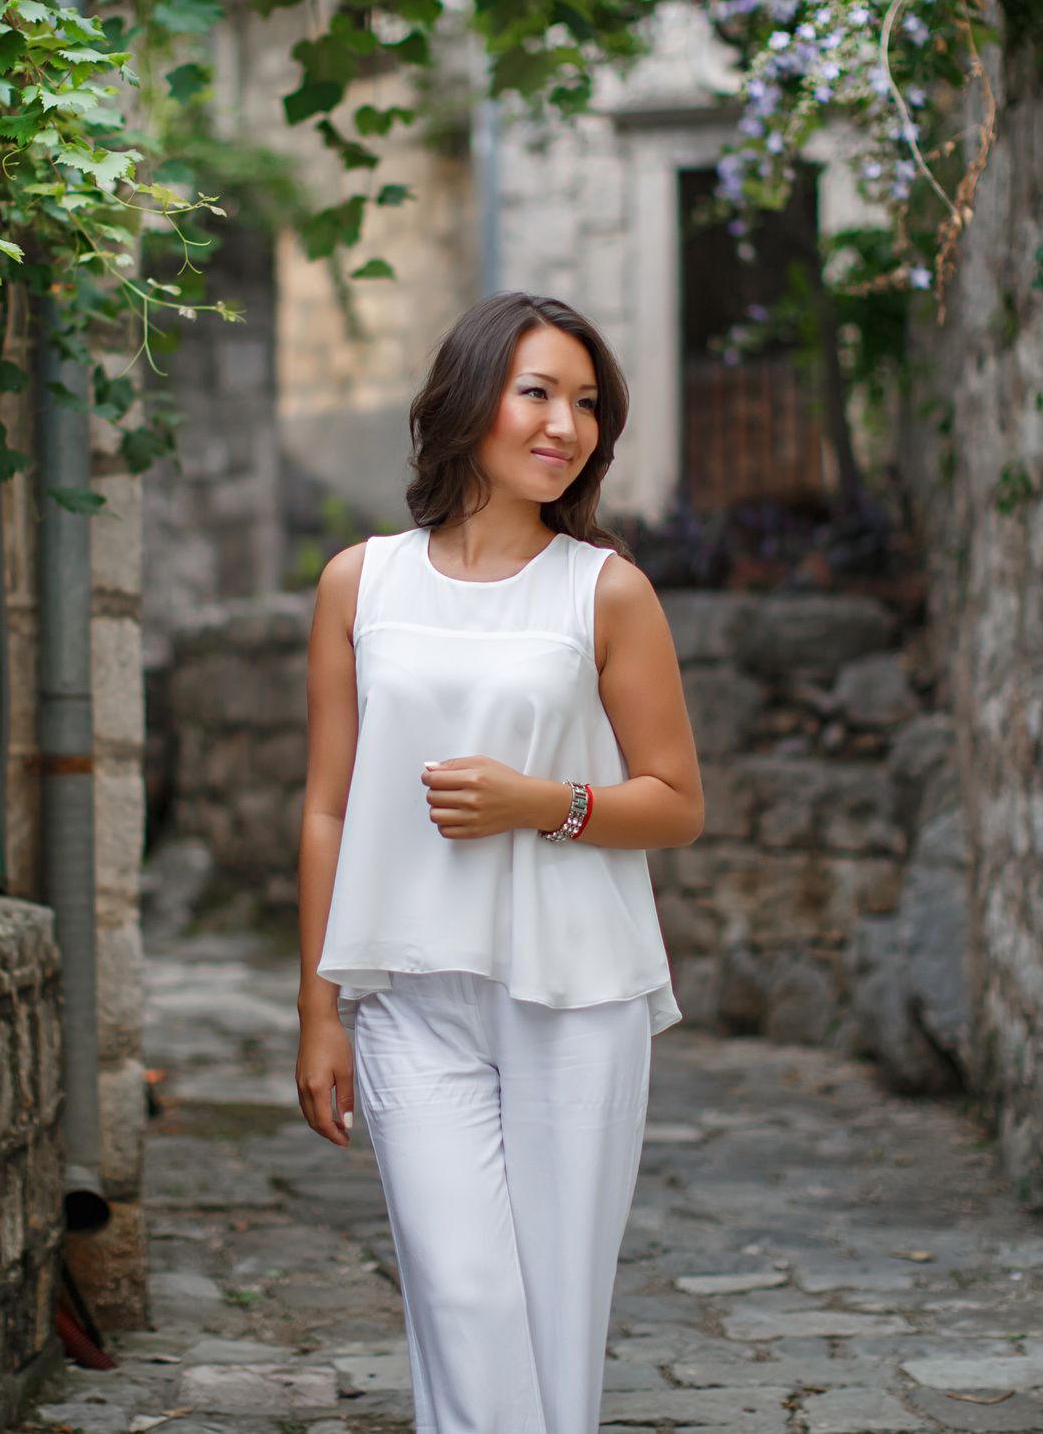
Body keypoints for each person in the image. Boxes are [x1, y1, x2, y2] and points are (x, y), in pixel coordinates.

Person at [294, 292, 706, 1434]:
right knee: (463, 1292)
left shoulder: (605, 589)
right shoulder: (358, 583)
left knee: (556, 1313)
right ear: (470, 400)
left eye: (585, 405)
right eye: (538, 392)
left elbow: (674, 804)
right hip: (409, 996)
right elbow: (326, 807)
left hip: (576, 992)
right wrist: (318, 1007)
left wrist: (543, 804)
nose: (564, 425)